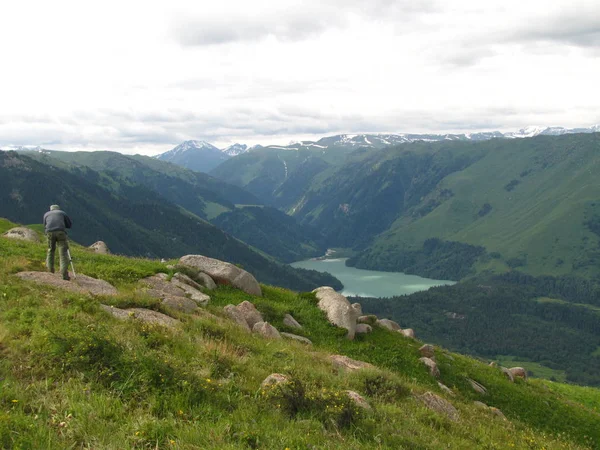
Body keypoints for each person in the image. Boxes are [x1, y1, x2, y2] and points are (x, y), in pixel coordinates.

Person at [43, 205, 72, 280]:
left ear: (51, 209)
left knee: (50, 250)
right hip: (60, 233)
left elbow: (45, 224)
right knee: (63, 253)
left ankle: (50, 270)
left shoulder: (46, 214)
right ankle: (64, 274)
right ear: (58, 209)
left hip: (49, 233)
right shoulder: (62, 213)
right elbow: (69, 225)